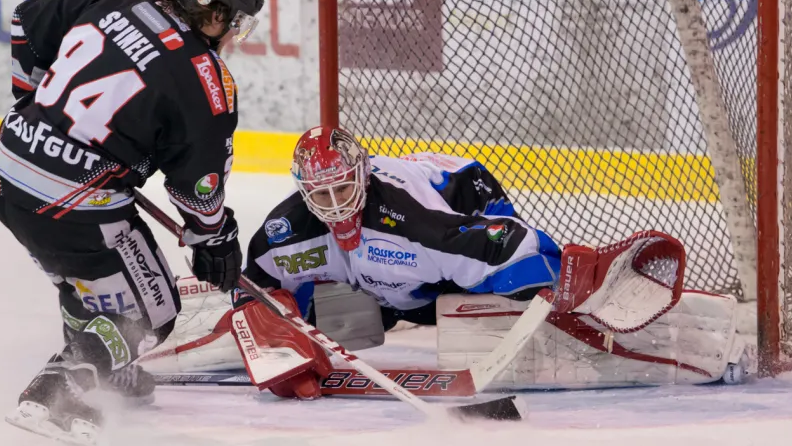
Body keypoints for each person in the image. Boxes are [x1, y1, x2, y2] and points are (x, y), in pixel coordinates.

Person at [227, 126, 749, 400]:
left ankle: (582, 295)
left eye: (343, 187)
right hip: (385, 277)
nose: (335, 202)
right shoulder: (287, 229)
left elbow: (504, 241)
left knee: (502, 287)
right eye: (321, 193)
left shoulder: (412, 223)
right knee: (346, 311)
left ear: (362, 176)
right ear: (303, 191)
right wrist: (276, 342)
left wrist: (569, 278)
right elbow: (255, 284)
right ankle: (399, 305)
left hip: (470, 197)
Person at [0, 0, 263, 445]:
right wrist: (214, 241)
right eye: (235, 18)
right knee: (154, 309)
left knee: (83, 281)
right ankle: (61, 384)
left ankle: (108, 373)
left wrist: (33, 104)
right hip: (73, 203)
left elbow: (26, 20)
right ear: (214, 9)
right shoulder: (207, 82)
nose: (232, 32)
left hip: (9, 172)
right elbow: (197, 194)